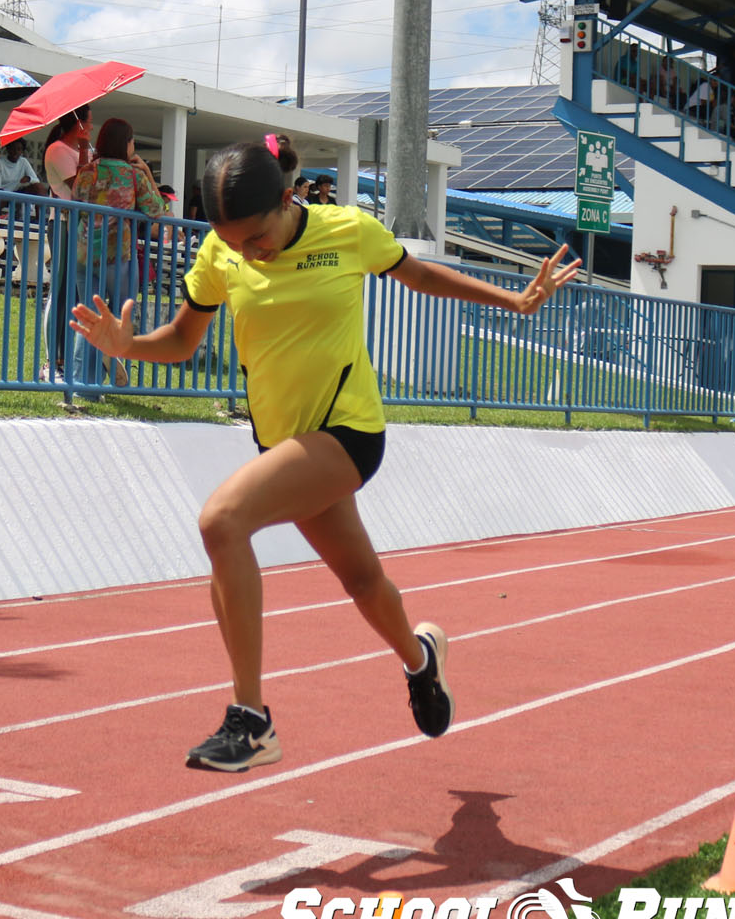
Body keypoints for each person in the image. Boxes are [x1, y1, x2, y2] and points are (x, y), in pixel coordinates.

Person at [70, 134, 581, 772]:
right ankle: (423, 660)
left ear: (287, 201)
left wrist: (513, 299)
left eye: (255, 238)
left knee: (221, 522)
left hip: (348, 433)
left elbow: (421, 276)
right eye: (230, 242)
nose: (245, 252)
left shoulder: (347, 231)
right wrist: (129, 346)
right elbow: (180, 340)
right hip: (284, 443)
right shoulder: (218, 254)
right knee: (363, 582)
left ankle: (250, 721)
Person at [69, 117, 166, 400]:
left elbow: (75, 199)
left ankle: (79, 386)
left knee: (88, 317)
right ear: (125, 143)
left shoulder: (88, 171)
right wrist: (147, 172)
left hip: (85, 252)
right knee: (119, 317)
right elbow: (156, 209)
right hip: (118, 256)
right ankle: (107, 360)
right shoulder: (133, 176)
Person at [40, 106, 93, 382]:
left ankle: (70, 360)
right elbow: (79, 190)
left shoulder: (87, 151)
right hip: (62, 224)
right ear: (78, 122)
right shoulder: (58, 150)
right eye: (89, 122)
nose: (92, 128)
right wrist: (85, 150)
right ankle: (51, 362)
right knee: (59, 291)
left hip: (82, 228)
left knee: (75, 295)